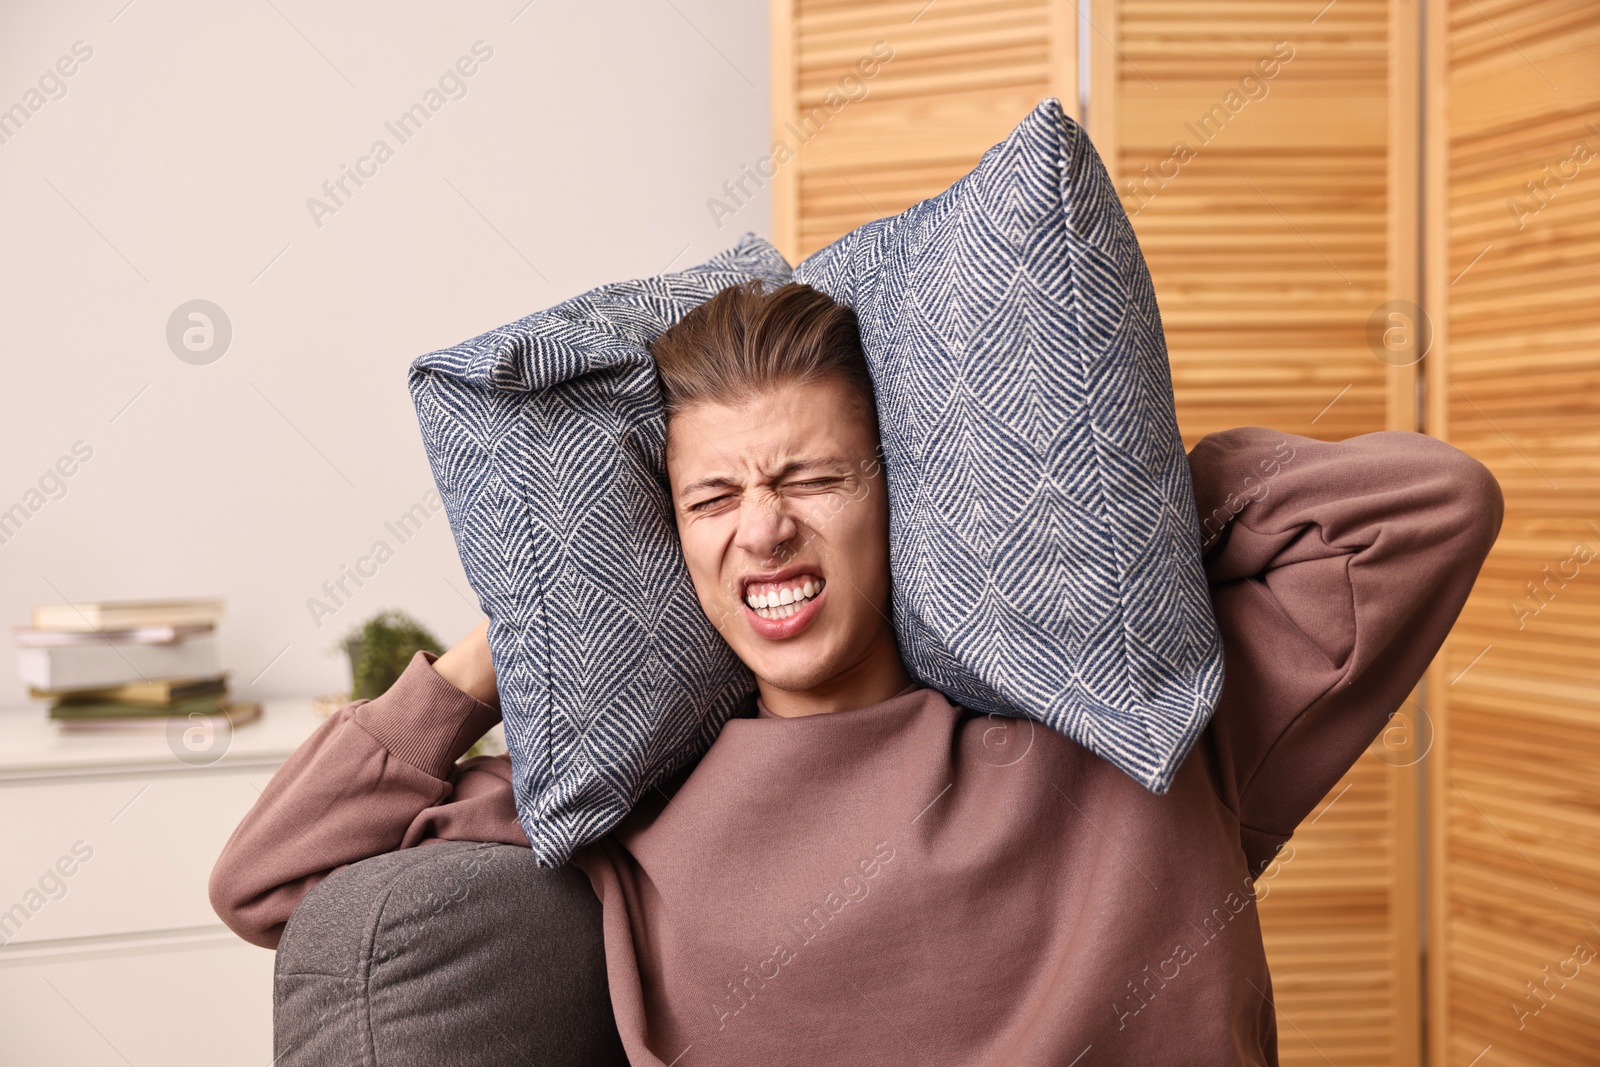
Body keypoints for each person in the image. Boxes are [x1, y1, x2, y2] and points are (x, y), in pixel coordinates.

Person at [211, 280, 1503, 1066]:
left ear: (908, 497)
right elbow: (267, 882)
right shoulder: (628, 808)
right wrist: (512, 644)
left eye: (813, 478)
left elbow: (1426, 507)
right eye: (711, 497)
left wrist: (1058, 503)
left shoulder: (1132, 719)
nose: (762, 527)